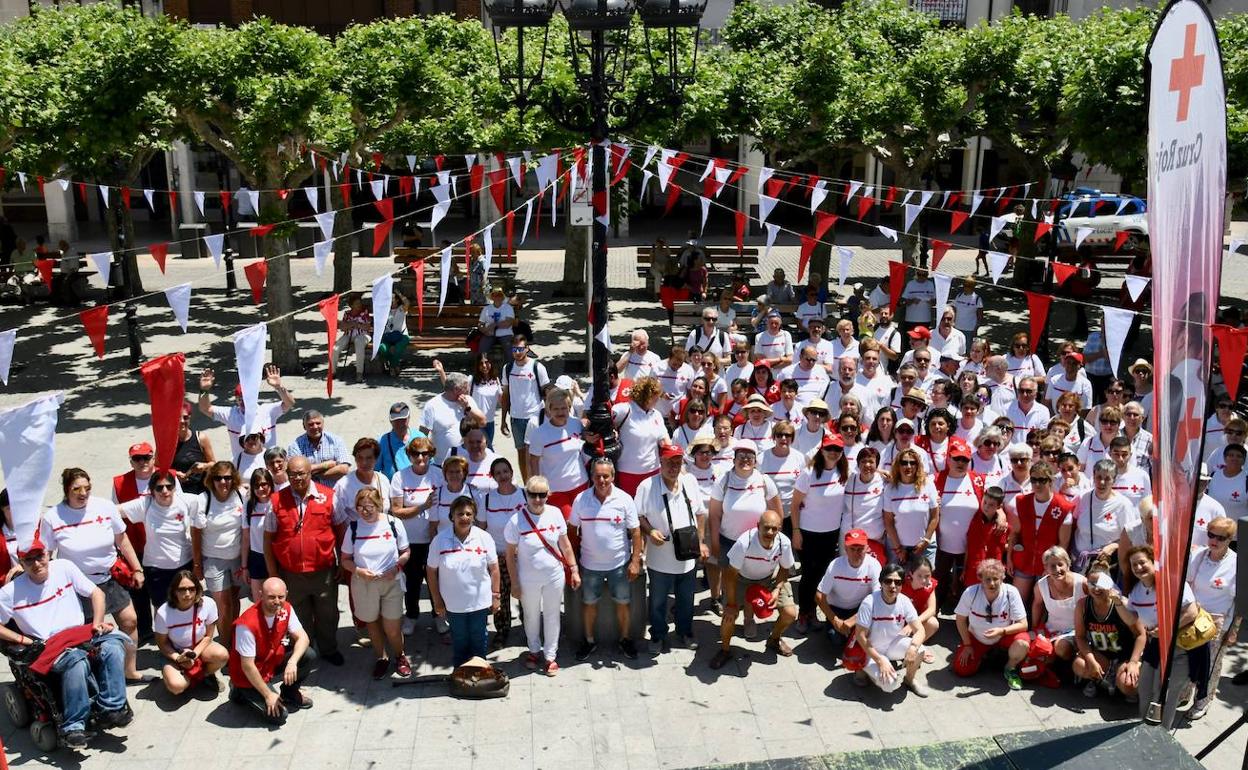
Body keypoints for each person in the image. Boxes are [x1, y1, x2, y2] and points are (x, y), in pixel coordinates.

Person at [0, 540, 132, 748]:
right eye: (29, 560)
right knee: (76, 661)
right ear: (22, 563)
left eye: (40, 556)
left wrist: (97, 622)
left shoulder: (64, 567)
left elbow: (97, 593)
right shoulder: (11, 592)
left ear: (47, 554)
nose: (36, 564)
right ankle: (73, 726)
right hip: (48, 645)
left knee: (114, 645)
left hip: (81, 633)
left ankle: (112, 707)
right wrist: (22, 639)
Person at [42, 468, 145, 682]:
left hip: (110, 577)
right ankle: (92, 676)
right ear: (66, 490)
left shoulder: (105, 507)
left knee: (130, 621)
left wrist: (137, 568)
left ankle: (130, 670)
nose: (83, 493)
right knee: (87, 634)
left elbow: (122, 539)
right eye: (76, 489)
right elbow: (46, 554)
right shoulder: (53, 517)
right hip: (78, 586)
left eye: (87, 488)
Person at [264, 456, 345, 665]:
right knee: (298, 617)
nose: (297, 478)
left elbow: (341, 531)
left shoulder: (329, 496)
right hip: (291, 574)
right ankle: (304, 652)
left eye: (301, 473)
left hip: (323, 571)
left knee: (327, 614)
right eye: (292, 474)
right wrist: (274, 574)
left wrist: (343, 562)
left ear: (310, 473)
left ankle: (328, 649)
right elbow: (268, 540)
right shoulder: (276, 501)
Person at [506, 475, 581, 675]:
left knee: (552, 614)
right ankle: (533, 650)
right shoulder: (516, 520)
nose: (537, 499)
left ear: (548, 495)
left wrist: (573, 569)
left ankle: (550, 655)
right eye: (533, 495)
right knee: (531, 616)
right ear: (526, 495)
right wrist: (514, 583)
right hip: (527, 579)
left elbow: (565, 545)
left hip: (554, 576)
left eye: (542, 495)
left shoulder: (555, 514)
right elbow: (509, 556)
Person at [637, 445, 707, 653]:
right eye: (669, 462)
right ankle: (658, 636)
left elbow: (701, 513)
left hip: (687, 558)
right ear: (661, 462)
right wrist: (650, 532)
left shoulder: (690, 481)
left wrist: (700, 542)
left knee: (686, 600)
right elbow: (638, 517)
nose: (673, 467)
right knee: (658, 601)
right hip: (659, 558)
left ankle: (684, 632)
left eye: (678, 462)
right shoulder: (647, 486)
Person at [571, 458, 643, 661]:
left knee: (623, 603)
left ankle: (625, 640)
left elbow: (636, 532)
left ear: (613, 476)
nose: (601, 480)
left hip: (619, 565)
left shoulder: (624, 499)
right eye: (597, 476)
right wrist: (574, 562)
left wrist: (635, 561)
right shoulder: (581, 500)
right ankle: (589, 641)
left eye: (606, 476)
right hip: (589, 565)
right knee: (589, 604)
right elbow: (571, 530)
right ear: (592, 476)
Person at [711, 510, 797, 669]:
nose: (770, 532)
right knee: (729, 616)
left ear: (779, 529)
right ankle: (724, 650)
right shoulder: (745, 542)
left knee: (790, 613)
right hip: (741, 579)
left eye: (774, 529)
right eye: (766, 528)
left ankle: (774, 639)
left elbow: (785, 568)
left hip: (769, 579)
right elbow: (730, 574)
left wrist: (777, 589)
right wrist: (730, 604)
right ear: (758, 526)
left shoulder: (783, 543)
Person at [342, 487, 412, 679]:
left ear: (379, 505)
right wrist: (358, 571)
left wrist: (396, 568)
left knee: (392, 627)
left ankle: (400, 656)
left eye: (370, 506)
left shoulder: (393, 523)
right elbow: (345, 559)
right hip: (364, 584)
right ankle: (381, 657)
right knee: (372, 623)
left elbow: (406, 552)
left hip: (391, 582)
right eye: (361, 507)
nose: (365, 510)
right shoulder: (353, 528)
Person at [1128, 545, 1201, 726]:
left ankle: (1162, 736)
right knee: (1145, 689)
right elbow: (1132, 617)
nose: (1138, 568)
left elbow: (1192, 612)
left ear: (1153, 562)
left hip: (1178, 646)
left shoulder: (1172, 582)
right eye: (1133, 565)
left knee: (1166, 693)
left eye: (1142, 562)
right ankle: (1144, 728)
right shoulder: (1137, 590)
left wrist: (1165, 629)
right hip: (1155, 645)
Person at [228, 577, 314, 724]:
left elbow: (303, 638)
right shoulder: (246, 625)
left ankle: (289, 693)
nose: (277, 601)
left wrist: (292, 662)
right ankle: (239, 691)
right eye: (271, 597)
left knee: (308, 655)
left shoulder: (286, 608)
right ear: (261, 595)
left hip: (270, 663)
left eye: (281, 597)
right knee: (280, 716)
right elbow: (247, 666)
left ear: (286, 594)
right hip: (248, 675)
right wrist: (268, 695)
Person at [427, 495, 501, 666]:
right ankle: (460, 675)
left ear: (474, 516)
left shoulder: (484, 537)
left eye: (469, 514)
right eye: (460, 514)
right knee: (459, 641)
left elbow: (494, 568)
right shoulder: (440, 540)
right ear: (452, 515)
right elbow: (431, 572)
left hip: (479, 602)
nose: (464, 518)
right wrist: (437, 601)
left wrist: (495, 595)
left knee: (479, 640)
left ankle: (480, 673)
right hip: (453, 604)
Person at [119, 469, 196, 620]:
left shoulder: (187, 501)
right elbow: (114, 511)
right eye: (159, 488)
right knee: (162, 612)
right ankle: (164, 642)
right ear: (152, 491)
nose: (165, 491)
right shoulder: (145, 504)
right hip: (156, 569)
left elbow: (210, 500)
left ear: (175, 488)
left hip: (184, 565)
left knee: (186, 607)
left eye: (169, 486)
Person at [792, 434, 850, 631]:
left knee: (822, 575)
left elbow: (867, 469)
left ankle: (814, 612)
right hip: (808, 532)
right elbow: (794, 505)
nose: (833, 453)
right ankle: (803, 614)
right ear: (822, 450)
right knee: (808, 575)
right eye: (829, 449)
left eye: (837, 450)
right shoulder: (808, 473)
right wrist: (796, 531)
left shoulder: (844, 472)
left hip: (831, 533)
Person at [1184, 517, 1240, 720]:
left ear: (1230, 539)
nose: (1214, 540)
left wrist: (1233, 631)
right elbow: (1188, 584)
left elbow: (1239, 602)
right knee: (1188, 657)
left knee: (1211, 664)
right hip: (1194, 616)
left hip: (1218, 622)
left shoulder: (1237, 564)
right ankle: (1185, 692)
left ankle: (1203, 700)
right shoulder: (1198, 555)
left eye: (1220, 537)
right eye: (1211, 534)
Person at [389, 437, 442, 636]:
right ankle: (411, 616)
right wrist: (422, 507)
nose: (421, 457)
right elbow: (396, 511)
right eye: (416, 453)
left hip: (434, 539)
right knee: (412, 582)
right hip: (410, 541)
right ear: (409, 456)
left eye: (425, 453)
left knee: (437, 580)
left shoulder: (439, 475)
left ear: (431, 455)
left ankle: (439, 615)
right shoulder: (399, 478)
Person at [192, 461, 247, 650]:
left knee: (234, 600)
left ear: (234, 479)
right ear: (211, 479)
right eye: (218, 478)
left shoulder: (241, 494)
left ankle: (235, 638)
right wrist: (197, 564)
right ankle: (225, 645)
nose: (223, 482)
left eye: (227, 477)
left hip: (238, 558)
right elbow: (196, 532)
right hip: (213, 560)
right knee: (223, 605)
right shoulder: (203, 500)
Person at [1073, 560, 1146, 700]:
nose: (1096, 589)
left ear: (1109, 585)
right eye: (1092, 584)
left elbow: (1140, 635)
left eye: (1100, 584)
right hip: (1101, 654)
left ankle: (1115, 683)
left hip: (1123, 655)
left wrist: (1133, 662)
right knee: (1079, 665)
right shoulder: (1083, 605)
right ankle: (1099, 680)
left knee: (1128, 686)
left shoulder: (1121, 603)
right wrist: (1091, 660)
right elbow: (1080, 636)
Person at [952, 559, 1030, 689]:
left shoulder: (1011, 592)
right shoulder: (971, 592)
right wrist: (967, 644)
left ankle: (1010, 667)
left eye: (996, 579)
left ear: (1002, 578)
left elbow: (1023, 624)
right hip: (977, 637)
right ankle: (984, 657)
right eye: (987, 579)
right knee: (961, 670)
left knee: (1022, 642)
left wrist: (1002, 631)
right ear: (980, 579)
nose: (992, 583)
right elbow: (960, 619)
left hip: (1003, 636)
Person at [853, 562, 928, 696]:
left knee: (920, 650)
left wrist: (913, 647)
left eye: (898, 582)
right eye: (888, 581)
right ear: (881, 582)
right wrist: (880, 660)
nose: (893, 586)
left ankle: (909, 680)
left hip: (892, 645)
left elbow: (920, 630)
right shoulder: (869, 602)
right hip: (871, 650)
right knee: (889, 685)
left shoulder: (904, 601)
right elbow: (860, 636)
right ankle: (864, 669)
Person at [1005, 461, 1073, 607]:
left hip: (1048, 564)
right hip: (1024, 560)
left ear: (1050, 481)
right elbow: (1015, 533)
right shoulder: (1022, 501)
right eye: (1034, 479)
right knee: (1016, 603)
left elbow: (1063, 546)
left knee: (1043, 604)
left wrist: (1053, 568)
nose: (1037, 484)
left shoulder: (1063, 507)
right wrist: (1009, 558)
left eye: (1042, 480)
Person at [154, 570, 229, 695]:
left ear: (198, 590)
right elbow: (162, 644)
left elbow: (208, 637)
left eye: (191, 589)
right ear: (174, 591)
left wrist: (193, 655)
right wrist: (179, 658)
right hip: (175, 652)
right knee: (176, 687)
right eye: (182, 589)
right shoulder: (163, 612)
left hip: (198, 648)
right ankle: (184, 678)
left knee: (222, 655)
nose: (187, 594)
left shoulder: (208, 604)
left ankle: (203, 675)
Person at [198, 364, 295, 455]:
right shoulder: (231, 414)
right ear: (236, 399)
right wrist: (204, 390)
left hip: (267, 465)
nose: (243, 402)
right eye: (240, 399)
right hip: (242, 466)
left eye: (246, 398)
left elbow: (289, 403)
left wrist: (278, 387)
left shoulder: (267, 410)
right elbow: (205, 408)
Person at [815, 528, 881, 652]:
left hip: (861, 609)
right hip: (837, 609)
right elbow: (819, 596)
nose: (856, 553)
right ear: (845, 549)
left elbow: (877, 598)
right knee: (836, 640)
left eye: (860, 549)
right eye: (852, 549)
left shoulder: (874, 565)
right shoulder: (835, 565)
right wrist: (835, 621)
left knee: (872, 635)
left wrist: (852, 621)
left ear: (867, 548)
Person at [1070, 459, 1133, 573]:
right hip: (1079, 561)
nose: (1102, 482)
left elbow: (1130, 537)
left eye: (1107, 478)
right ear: (1093, 476)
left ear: (1114, 480)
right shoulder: (1082, 497)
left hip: (1105, 563)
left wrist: (1113, 546)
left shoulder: (1123, 505)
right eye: (1099, 477)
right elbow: (1070, 524)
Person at [613, 376, 672, 495]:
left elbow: (665, 441)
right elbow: (602, 422)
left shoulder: (657, 415)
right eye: (656, 396)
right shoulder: (624, 410)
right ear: (646, 396)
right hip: (627, 473)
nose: (658, 399)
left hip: (653, 472)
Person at [883, 448, 940, 566]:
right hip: (897, 547)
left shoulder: (928, 485)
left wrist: (925, 541)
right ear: (898, 466)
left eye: (912, 463)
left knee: (924, 584)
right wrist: (898, 549)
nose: (908, 466)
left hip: (925, 546)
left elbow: (935, 516)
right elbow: (888, 522)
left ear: (918, 465)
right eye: (904, 463)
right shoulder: (890, 489)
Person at [1030, 546, 1086, 664]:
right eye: (1052, 566)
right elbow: (1037, 605)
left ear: (1068, 564)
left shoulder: (1082, 583)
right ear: (1046, 567)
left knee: (1060, 648)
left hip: (1077, 631)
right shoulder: (1041, 585)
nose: (1057, 569)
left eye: (1060, 564)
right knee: (1033, 646)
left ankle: (1071, 666)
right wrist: (1035, 628)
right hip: (1051, 629)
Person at [500, 335, 548, 470]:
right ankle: (527, 485)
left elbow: (547, 393)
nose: (517, 352)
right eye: (514, 349)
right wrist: (503, 420)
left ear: (527, 349)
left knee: (538, 452)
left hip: (535, 416)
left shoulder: (537, 367)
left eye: (520, 349)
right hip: (516, 418)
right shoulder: (507, 368)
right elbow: (505, 395)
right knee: (521, 453)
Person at [425, 371, 487, 463]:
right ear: (456, 390)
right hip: (442, 462)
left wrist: (467, 408)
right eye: (465, 387)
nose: (467, 390)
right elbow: (423, 434)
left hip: (468, 460)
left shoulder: (468, 400)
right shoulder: (432, 405)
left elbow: (482, 422)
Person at [286, 411, 351, 485]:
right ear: (304, 426)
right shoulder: (296, 445)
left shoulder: (336, 440)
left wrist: (314, 474)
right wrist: (326, 465)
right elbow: (295, 472)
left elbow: (344, 469)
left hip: (334, 493)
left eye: (318, 423)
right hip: (309, 494)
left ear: (323, 424)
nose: (315, 427)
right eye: (311, 424)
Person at [172, 400, 216, 496]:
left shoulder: (200, 438)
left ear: (190, 418)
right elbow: (156, 467)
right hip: (176, 493)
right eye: (178, 417)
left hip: (200, 492)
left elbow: (213, 464)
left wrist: (204, 466)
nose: (182, 421)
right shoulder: (167, 441)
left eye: (185, 417)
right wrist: (174, 473)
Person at [336, 294, 372, 383]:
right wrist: (351, 324)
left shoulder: (364, 313)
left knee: (358, 343)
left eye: (359, 303)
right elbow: (342, 328)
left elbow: (367, 327)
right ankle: (332, 371)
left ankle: (359, 373)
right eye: (356, 303)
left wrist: (358, 325)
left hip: (362, 335)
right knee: (335, 349)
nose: (359, 305)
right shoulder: (347, 314)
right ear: (351, 305)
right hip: (348, 335)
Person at [377, 402, 417, 478]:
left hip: (417, 487)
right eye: (396, 420)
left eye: (403, 420)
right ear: (390, 421)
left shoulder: (419, 437)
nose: (400, 424)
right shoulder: (382, 442)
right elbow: (374, 470)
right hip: (392, 487)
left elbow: (430, 464)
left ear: (409, 418)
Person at [378, 289, 410, 377]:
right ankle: (395, 365)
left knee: (398, 348)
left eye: (392, 298)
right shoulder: (384, 310)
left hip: (402, 335)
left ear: (396, 299)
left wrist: (399, 294)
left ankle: (392, 367)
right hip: (388, 336)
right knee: (382, 349)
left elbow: (407, 303)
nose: (390, 300)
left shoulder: (401, 308)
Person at [478, 284, 516, 357]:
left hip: (505, 334)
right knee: (482, 350)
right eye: (495, 295)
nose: (497, 297)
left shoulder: (508, 308)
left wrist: (494, 325)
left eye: (499, 295)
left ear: (502, 297)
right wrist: (484, 330)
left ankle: (512, 367)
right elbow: (480, 324)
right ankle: (482, 366)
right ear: (492, 297)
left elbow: (508, 323)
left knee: (510, 351)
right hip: (489, 334)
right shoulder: (487, 308)